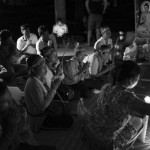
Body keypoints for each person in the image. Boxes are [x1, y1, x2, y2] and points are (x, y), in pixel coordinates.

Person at [78, 60, 150, 150]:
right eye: (137, 78)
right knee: (138, 121)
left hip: (90, 134)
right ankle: (124, 147)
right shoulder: (128, 98)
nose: (138, 81)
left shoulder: (106, 87)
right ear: (131, 79)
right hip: (105, 145)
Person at [0, 82, 56, 150]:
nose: (11, 102)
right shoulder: (33, 84)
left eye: (10, 98)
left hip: (21, 142)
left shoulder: (10, 107)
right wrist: (10, 128)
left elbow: (23, 127)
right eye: (5, 102)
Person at [24, 55, 73, 133]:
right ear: (34, 70)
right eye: (42, 67)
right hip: (40, 116)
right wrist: (54, 89)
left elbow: (48, 89)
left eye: (45, 66)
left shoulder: (40, 77)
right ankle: (42, 126)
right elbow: (42, 107)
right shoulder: (34, 84)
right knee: (69, 121)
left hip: (47, 106)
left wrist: (56, 77)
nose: (45, 69)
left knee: (68, 108)